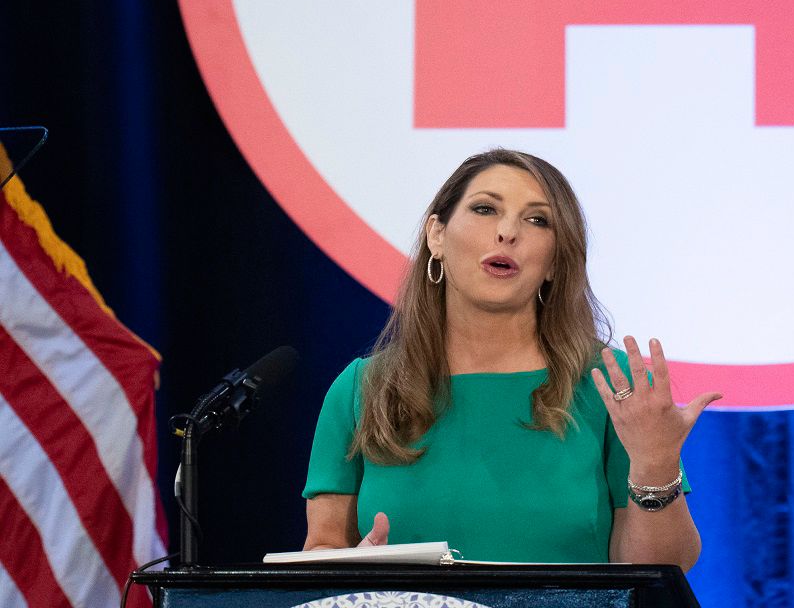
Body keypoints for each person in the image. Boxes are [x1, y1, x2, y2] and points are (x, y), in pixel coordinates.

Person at [301, 149, 721, 570]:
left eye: (537, 220)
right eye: (485, 209)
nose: (507, 232)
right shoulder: (362, 387)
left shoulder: (610, 383)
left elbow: (662, 570)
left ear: (555, 261)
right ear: (437, 236)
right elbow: (321, 552)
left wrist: (654, 466)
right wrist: (350, 569)